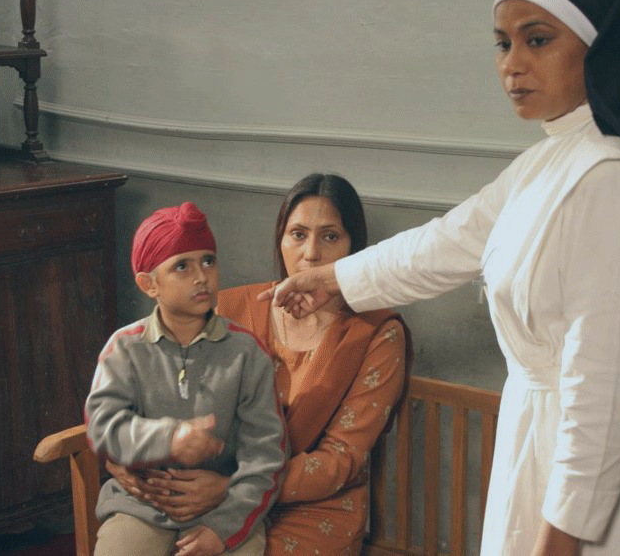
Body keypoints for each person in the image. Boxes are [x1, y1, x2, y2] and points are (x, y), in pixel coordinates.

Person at [265, 0, 620, 556]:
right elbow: (446, 242)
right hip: (543, 441)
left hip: (615, 478)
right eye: (503, 44)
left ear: (601, 46)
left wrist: (561, 536)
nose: (513, 65)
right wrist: (332, 279)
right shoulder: (547, 161)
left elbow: (610, 381)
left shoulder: (612, 178)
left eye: (537, 40)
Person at [107, 174, 413, 555]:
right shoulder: (229, 308)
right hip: (207, 487)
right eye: (298, 234)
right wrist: (127, 467)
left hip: (309, 504)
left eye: (330, 236)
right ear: (280, 240)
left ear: (355, 246)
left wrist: (231, 485)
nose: (311, 253)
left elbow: (341, 462)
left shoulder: (377, 335)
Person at [85, 202, 288, 556]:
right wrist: (169, 438)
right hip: (141, 509)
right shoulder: (125, 349)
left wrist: (221, 529)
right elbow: (102, 427)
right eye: (182, 266)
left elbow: (266, 457)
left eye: (208, 261)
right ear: (149, 284)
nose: (201, 276)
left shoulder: (247, 353)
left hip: (223, 508)